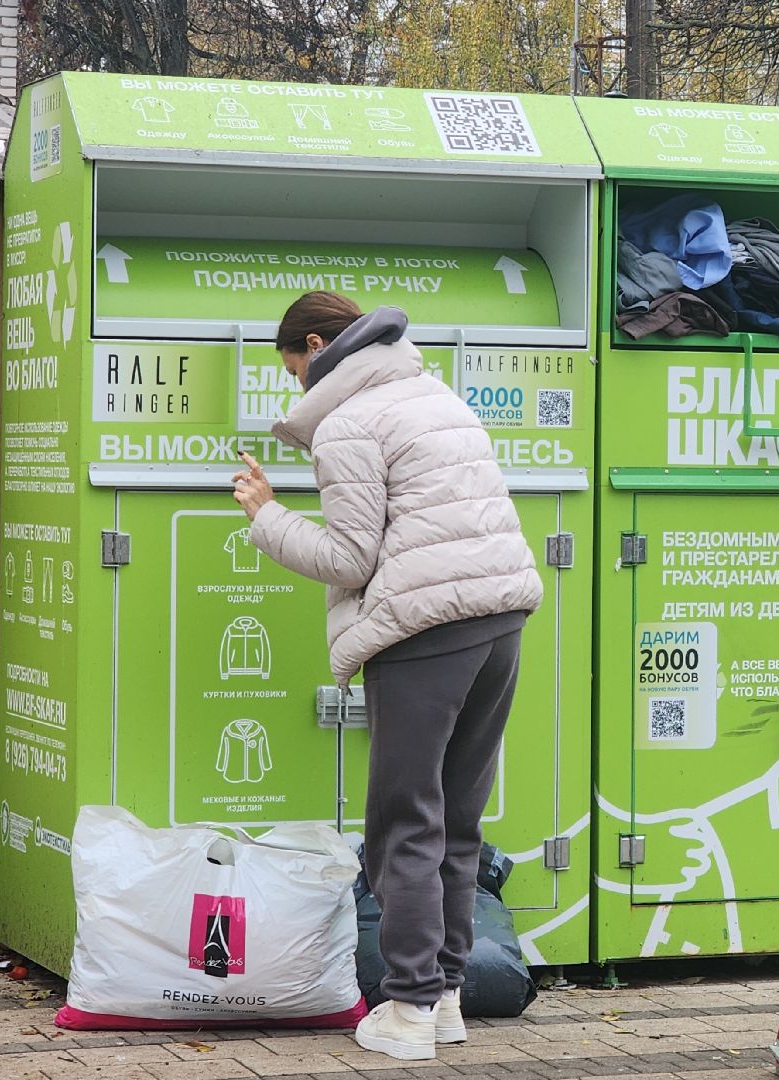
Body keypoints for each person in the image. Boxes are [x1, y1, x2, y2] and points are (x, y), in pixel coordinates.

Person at [230, 292, 542, 1061]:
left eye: (292, 369)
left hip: (424, 632)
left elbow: (348, 559)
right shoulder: (435, 395)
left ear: (314, 347)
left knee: (403, 821)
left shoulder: (348, 423)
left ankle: (407, 1011)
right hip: (500, 620)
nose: (296, 383)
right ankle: (444, 997)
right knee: (456, 821)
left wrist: (266, 516)